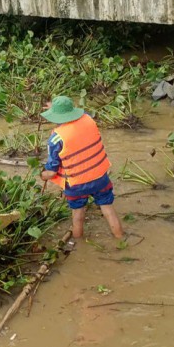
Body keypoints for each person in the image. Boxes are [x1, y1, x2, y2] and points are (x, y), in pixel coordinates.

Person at [39, 96, 123, 240]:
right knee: (108, 209)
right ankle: (121, 239)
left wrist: (42, 175)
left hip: (76, 184)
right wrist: (58, 107)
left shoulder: (56, 139)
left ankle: (79, 245)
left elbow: (52, 172)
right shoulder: (89, 119)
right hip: (100, 178)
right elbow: (82, 115)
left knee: (77, 216)